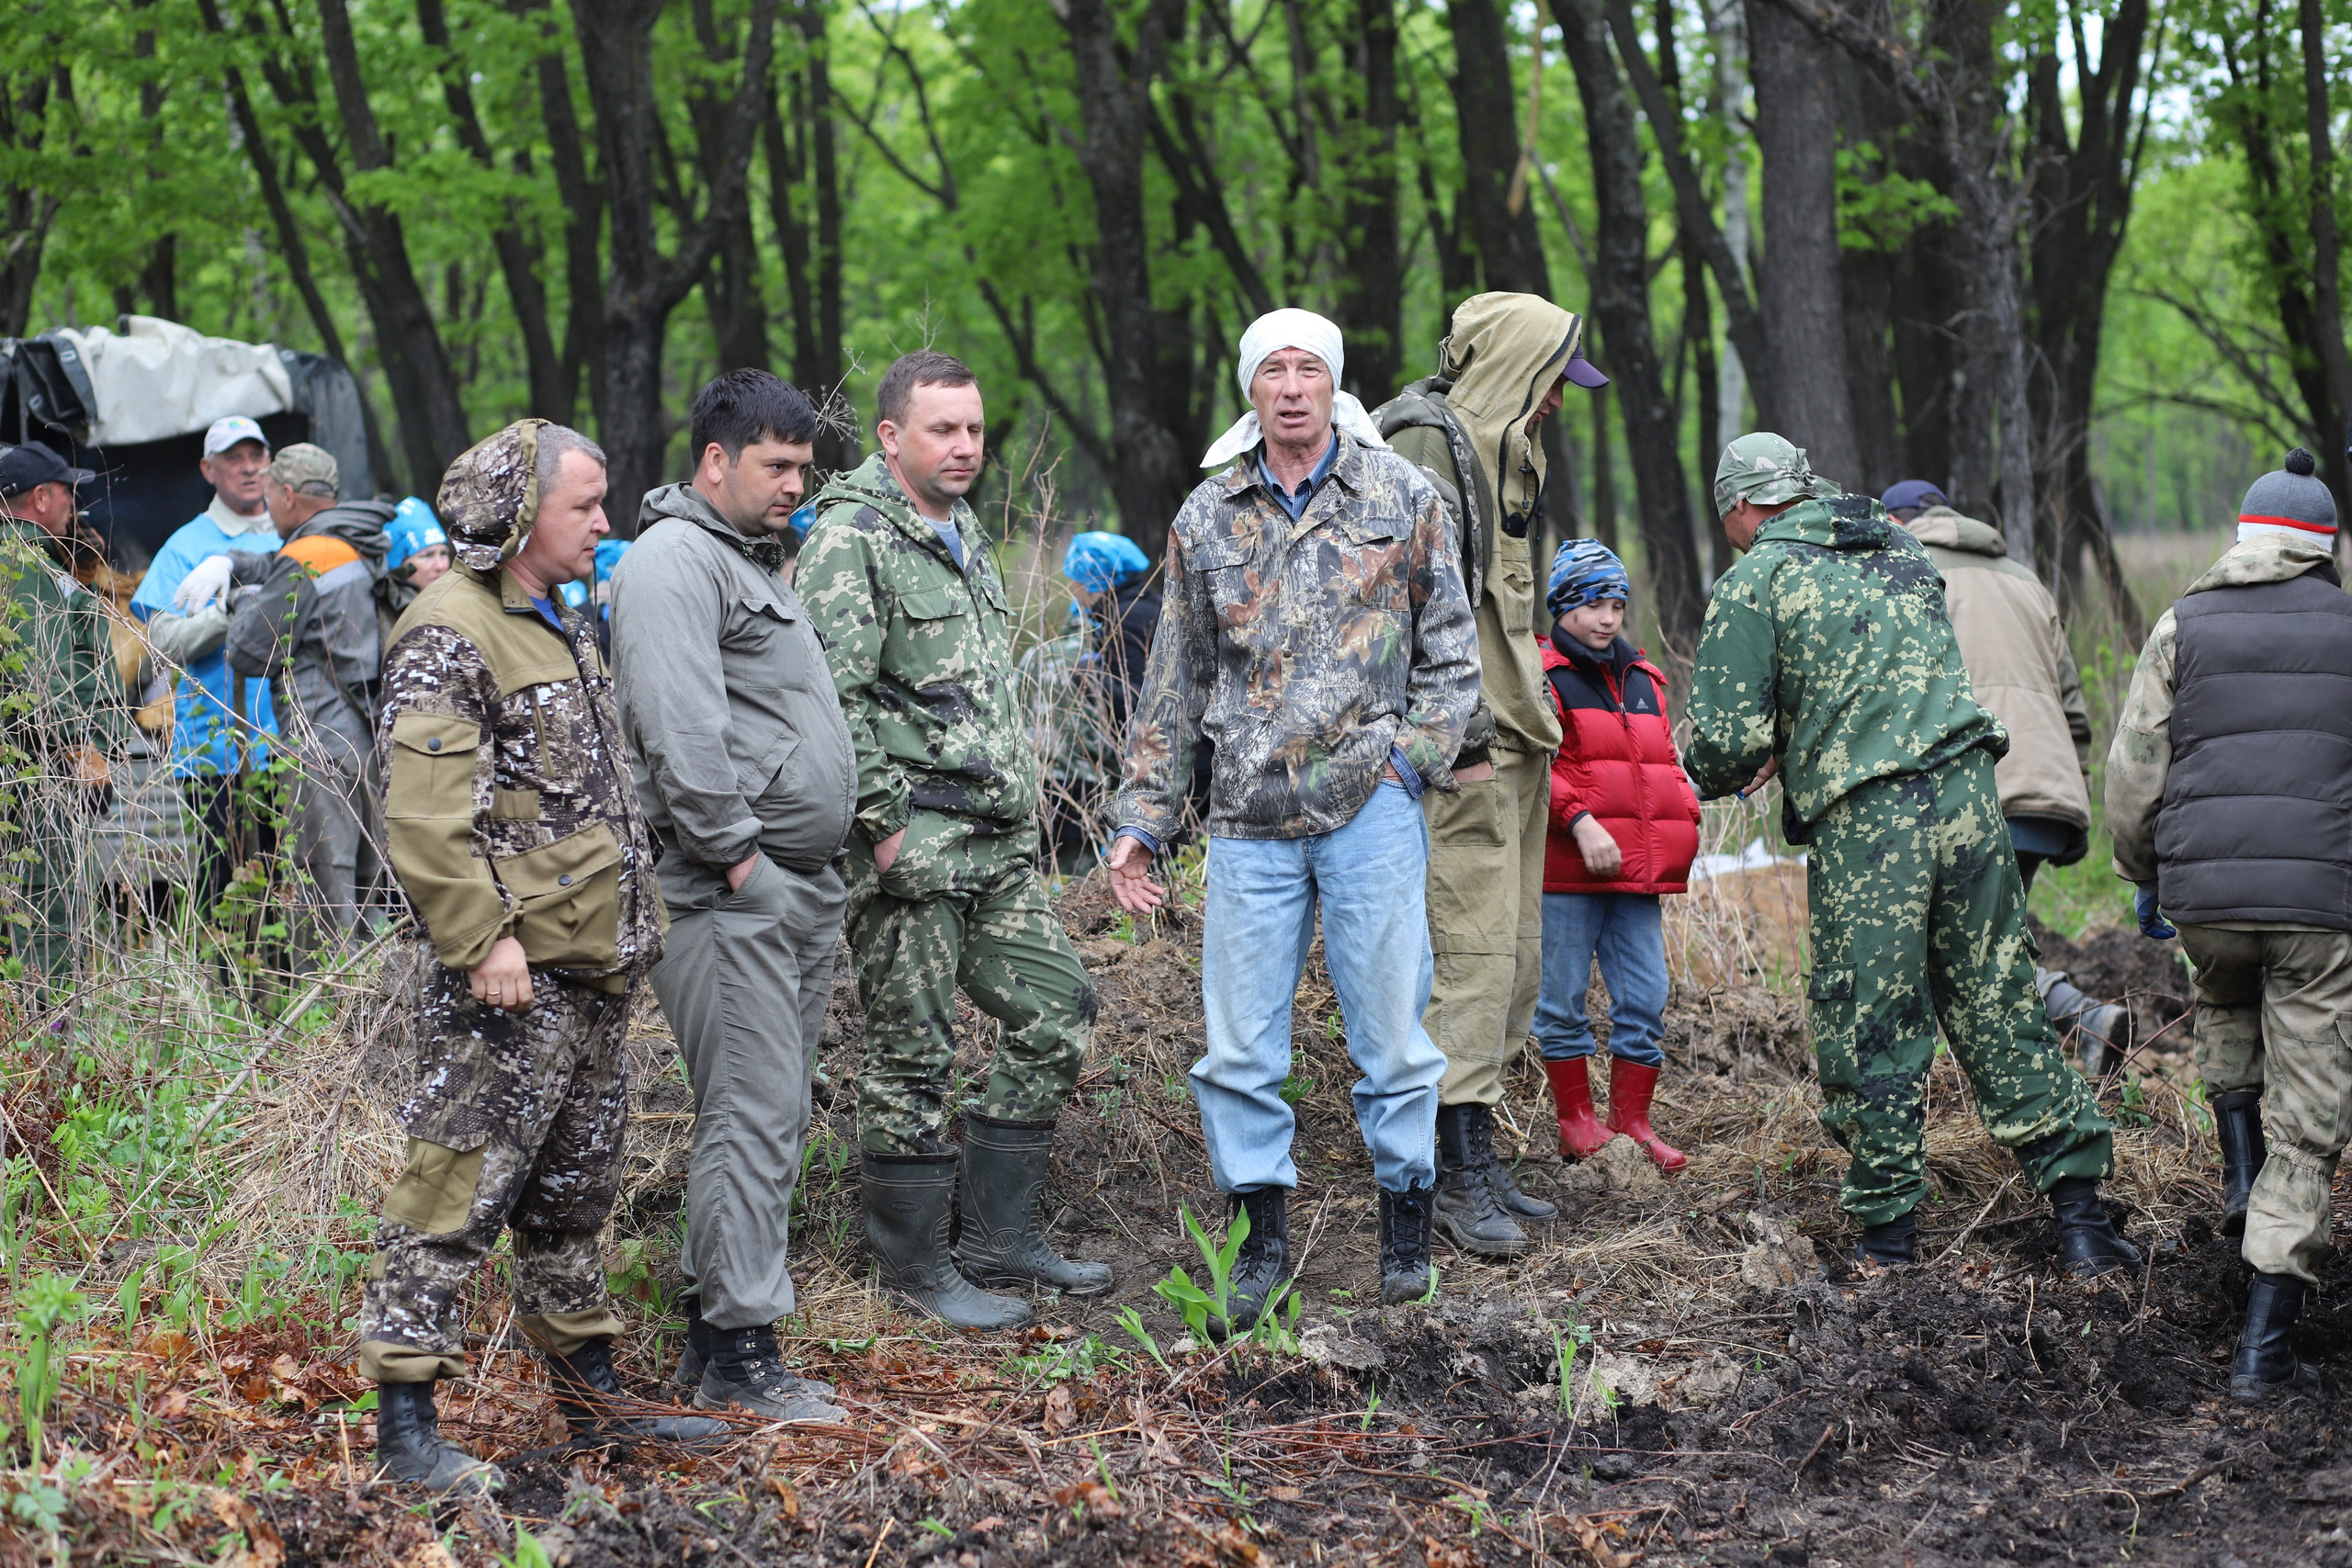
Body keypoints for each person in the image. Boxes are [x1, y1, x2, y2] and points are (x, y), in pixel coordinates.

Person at [361, 421, 724, 1495]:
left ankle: (596, 1408)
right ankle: (405, 1433)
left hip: (593, 968)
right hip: (509, 984)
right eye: (586, 505)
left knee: (571, 1205)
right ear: (520, 517)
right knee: (453, 1198)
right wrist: (484, 943)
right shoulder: (450, 632)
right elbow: (426, 822)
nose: (606, 521)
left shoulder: (553, 618)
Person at [1684, 433, 2133, 1277]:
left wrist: (1768, 743)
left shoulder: (1758, 581)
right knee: (1999, 1001)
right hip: (1971, 801)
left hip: (1872, 824)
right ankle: (2083, 1220)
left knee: (1872, 1020)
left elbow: (1723, 750)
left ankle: (1887, 1243)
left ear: (1742, 507)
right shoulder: (1897, 544)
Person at [1108, 309, 1481, 1325]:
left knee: (1392, 1036)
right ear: (1251, 389)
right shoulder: (1206, 517)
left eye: (1306, 368)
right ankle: (1260, 1243)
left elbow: (1453, 652)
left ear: (1332, 385)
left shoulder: (1404, 496)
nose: (1289, 386)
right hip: (1246, 815)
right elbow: (1171, 686)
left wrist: (1413, 761)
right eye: (1271, 369)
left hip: (1371, 801)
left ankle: (1406, 1223)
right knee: (1239, 1048)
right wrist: (1141, 819)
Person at [800, 352, 1109, 1329]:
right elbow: (830, 701)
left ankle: (996, 1237)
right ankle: (912, 1271)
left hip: (992, 845)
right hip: (914, 853)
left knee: (1058, 1006)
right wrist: (885, 836)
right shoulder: (851, 539)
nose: (966, 446)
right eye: (943, 430)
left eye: (974, 429)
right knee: (912, 1055)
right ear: (891, 437)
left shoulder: (961, 528)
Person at [610, 370, 853, 1423]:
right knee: (751, 1110)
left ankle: (718, 1336)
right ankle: (745, 1361)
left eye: (804, 466)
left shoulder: (746, 557)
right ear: (716, 461)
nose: (797, 483)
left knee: (768, 1108)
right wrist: (741, 858)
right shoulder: (674, 560)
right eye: (778, 464)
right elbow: (678, 725)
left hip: (780, 886)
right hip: (724, 889)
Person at [2106, 447, 2352, 1399]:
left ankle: (2239, 1182)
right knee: (2311, 1116)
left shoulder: (2183, 625)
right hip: (2317, 910)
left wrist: (2144, 872)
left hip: (2206, 899)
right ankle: (2263, 1352)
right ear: (2323, 549)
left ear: (2244, 540)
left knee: (2225, 1001)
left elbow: (2132, 774)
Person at [1375, 291, 1611, 1257]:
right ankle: (1441, 1174)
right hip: (1461, 752)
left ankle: (1476, 1156)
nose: (1560, 398)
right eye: (1553, 376)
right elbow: (1397, 608)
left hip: (1516, 743)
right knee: (1467, 962)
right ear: (1516, 364)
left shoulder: (1505, 450)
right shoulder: (1430, 445)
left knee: (1512, 961)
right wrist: (1451, 739)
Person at [1883, 479, 2130, 1074]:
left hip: (1970, 794)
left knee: (1953, 949)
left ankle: (2075, 1018)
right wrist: (2070, 789)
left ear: (1895, 519)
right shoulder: (2026, 580)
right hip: (2045, 793)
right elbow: (2073, 708)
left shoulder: (1903, 569)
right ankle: (2038, 1064)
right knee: (1983, 942)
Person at [1530, 541, 1701, 1171]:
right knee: (1562, 997)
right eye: (1593, 604)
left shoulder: (1644, 680)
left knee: (1646, 996)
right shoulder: (1541, 676)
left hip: (1636, 874)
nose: (1607, 618)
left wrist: (1685, 808)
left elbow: (1662, 762)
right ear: (1562, 605)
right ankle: (1576, 1121)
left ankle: (1632, 1122)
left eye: (1617, 605)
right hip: (1567, 873)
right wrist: (1577, 820)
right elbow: (1533, 767)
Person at [218, 445, 395, 965]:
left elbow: (249, 651)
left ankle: (329, 1019)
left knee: (325, 878)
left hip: (321, 739)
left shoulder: (307, 556)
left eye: (271, 494)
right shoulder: (361, 541)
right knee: (371, 881)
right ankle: (376, 1007)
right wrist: (237, 562)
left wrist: (238, 599)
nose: (267, 505)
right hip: (369, 736)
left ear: (288, 495)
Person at [130, 416, 283, 918]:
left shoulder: (292, 533)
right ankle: (227, 995)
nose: (248, 469)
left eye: (255, 456)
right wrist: (231, 609)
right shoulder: (186, 546)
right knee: (230, 894)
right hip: (217, 749)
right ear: (207, 469)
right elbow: (163, 642)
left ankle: (297, 993)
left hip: (295, 744)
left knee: (292, 891)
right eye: (233, 459)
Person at [0, 441, 130, 998]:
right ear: (40, 497)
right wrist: (85, 750)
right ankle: (45, 1052)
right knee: (45, 918)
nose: (74, 505)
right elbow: (41, 674)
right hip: (35, 780)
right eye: (68, 493)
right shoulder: (27, 566)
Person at [1029, 530, 1158, 871]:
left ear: (1092, 580)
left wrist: (1092, 679)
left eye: (1076, 579)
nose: (1072, 588)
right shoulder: (1150, 606)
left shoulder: (1122, 620)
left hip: (1131, 775)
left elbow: (1139, 702)